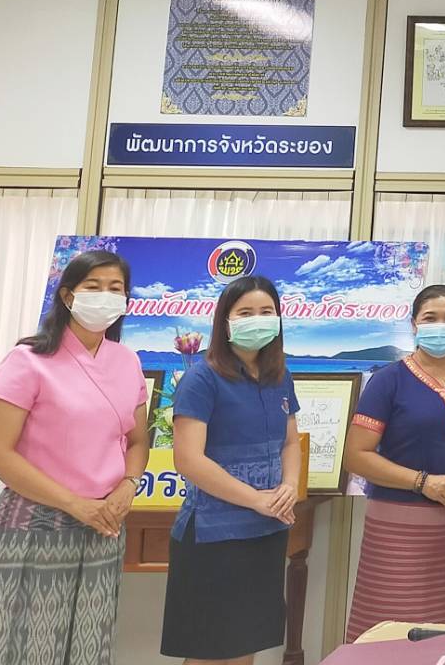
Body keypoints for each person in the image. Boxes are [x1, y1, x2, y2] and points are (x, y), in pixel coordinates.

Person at [0, 250, 150, 665]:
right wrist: (74, 504)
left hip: (103, 527)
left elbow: (138, 440)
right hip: (35, 525)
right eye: (93, 287)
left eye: (115, 288)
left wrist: (128, 485)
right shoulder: (28, 360)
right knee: (20, 646)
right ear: (68, 296)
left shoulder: (127, 362)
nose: (105, 296)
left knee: (88, 644)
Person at [343, 285, 445, 641]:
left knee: (443, 621)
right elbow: (357, 455)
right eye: (430, 317)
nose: (440, 325)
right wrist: (423, 482)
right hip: (395, 521)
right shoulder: (388, 380)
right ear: (414, 324)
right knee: (388, 619)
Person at [160, 276, 302, 665]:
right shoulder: (202, 378)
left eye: (266, 311)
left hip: (267, 530)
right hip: (214, 534)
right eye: (245, 312)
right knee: (210, 652)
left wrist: (290, 485)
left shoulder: (280, 376)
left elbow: (291, 442)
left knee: (244, 648)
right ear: (225, 321)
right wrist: (256, 499)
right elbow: (188, 460)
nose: (257, 319)